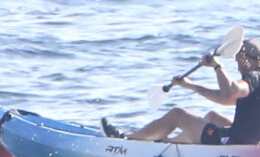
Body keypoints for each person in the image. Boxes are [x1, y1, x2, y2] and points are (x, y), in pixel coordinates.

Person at [101, 38, 260, 145]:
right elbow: (227, 99)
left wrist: (218, 67)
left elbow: (230, 92)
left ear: (247, 58)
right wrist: (190, 86)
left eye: (240, 57)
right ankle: (170, 144)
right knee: (212, 116)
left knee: (177, 114)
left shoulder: (253, 78)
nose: (238, 61)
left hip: (235, 142)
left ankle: (128, 140)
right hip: (252, 139)